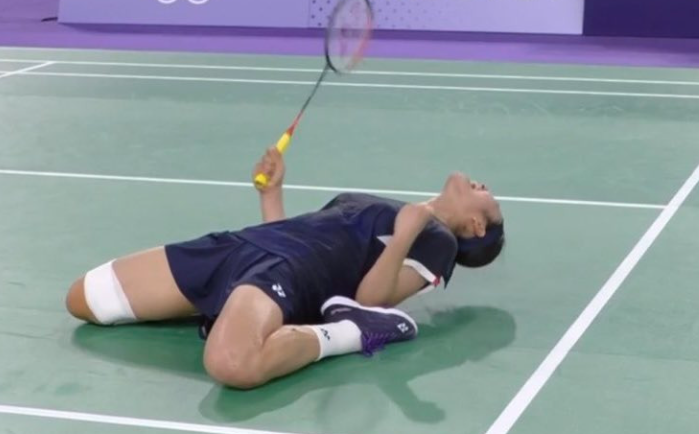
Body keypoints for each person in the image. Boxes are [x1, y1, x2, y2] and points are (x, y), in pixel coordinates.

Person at [65, 148, 505, 389]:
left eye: (489, 198)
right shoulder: (398, 209)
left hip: (290, 273)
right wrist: (272, 195)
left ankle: (349, 334)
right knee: (85, 299)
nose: (484, 186)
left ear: (477, 225)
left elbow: (373, 298)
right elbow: (297, 235)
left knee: (231, 364)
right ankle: (221, 308)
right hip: (243, 247)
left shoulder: (439, 241)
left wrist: (407, 233)